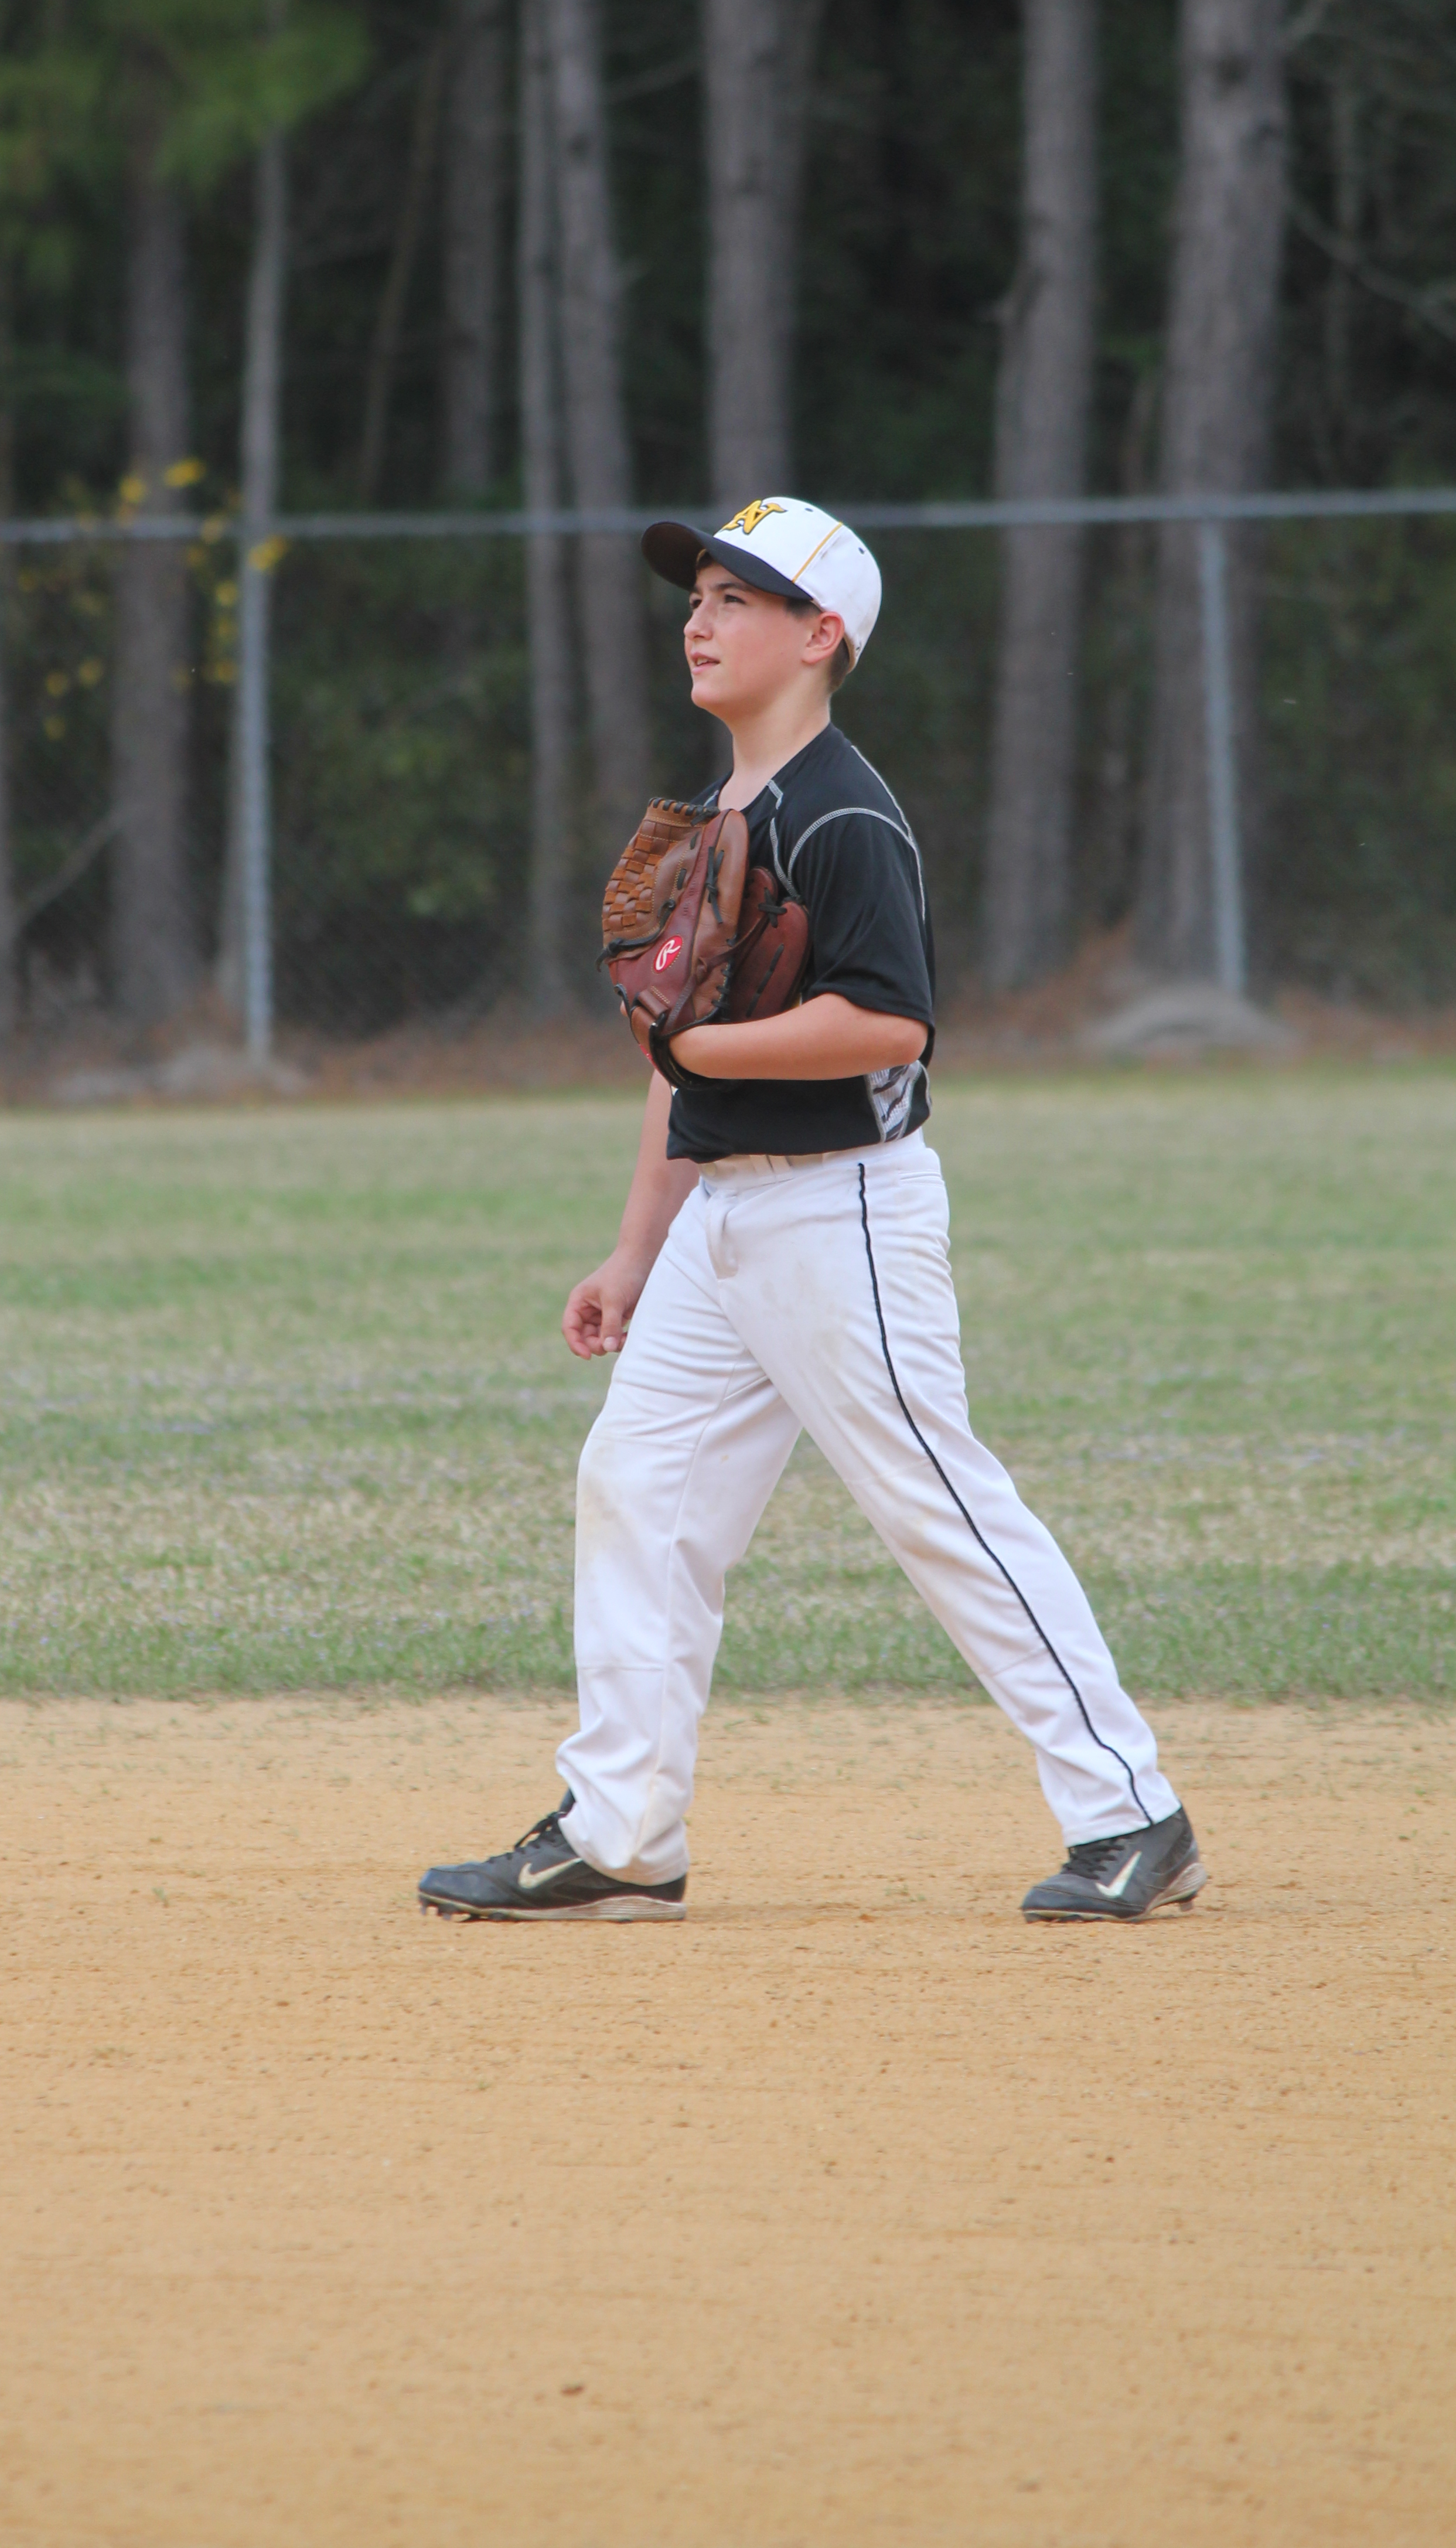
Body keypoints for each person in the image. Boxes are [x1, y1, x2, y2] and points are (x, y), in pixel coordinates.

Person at [418, 496, 1204, 1926]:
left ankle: (1131, 1811)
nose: (698, 619)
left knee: (936, 1503)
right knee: (639, 1492)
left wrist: (702, 1049)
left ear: (819, 634)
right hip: (723, 1221)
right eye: (698, 593)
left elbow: (891, 1023)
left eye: (736, 599)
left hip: (841, 1213)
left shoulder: (843, 812)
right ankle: (623, 1834)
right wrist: (636, 1246)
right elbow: (677, 1062)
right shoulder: (721, 811)